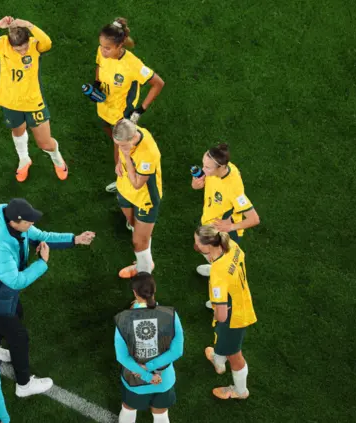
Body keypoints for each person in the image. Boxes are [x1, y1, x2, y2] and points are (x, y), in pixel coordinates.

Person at [0, 198, 95, 396]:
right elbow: (15, 281)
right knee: (19, 337)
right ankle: (23, 385)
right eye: (28, 221)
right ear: (14, 222)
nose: (32, 224)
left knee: (17, 311)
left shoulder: (14, 225)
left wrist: (75, 239)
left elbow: (41, 236)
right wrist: (42, 263)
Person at [0, 17, 68, 182]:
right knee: (18, 132)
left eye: (24, 47)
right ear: (10, 43)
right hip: (10, 102)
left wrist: (30, 25)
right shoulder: (2, 44)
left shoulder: (35, 45)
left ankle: (57, 159)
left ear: (28, 41)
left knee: (45, 143)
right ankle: (24, 159)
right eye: (18, 49)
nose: (22, 51)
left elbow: (48, 42)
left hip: (33, 102)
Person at [90, 17, 165, 193]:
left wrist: (140, 110)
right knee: (109, 133)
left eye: (107, 48)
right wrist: (96, 83)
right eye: (101, 46)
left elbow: (158, 83)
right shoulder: (102, 51)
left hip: (121, 116)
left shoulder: (133, 65)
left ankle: (122, 182)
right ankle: (125, 155)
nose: (103, 50)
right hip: (104, 108)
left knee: (120, 154)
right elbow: (99, 65)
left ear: (119, 46)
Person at [194, 225, 257, 400]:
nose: (195, 245)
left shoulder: (217, 273)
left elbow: (221, 315)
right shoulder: (231, 245)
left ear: (207, 246)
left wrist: (217, 314)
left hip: (233, 316)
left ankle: (240, 391)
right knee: (222, 340)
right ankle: (218, 360)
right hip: (240, 299)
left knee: (235, 355)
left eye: (197, 242)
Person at [114, 272, 184, 423]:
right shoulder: (171, 315)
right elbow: (177, 351)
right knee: (161, 414)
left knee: (128, 409)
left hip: (135, 379)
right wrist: (151, 367)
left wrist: (147, 375)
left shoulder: (123, 319)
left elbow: (122, 357)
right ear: (154, 289)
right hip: (163, 379)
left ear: (134, 292)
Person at [191, 143, 260, 282]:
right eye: (203, 164)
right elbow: (199, 182)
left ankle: (225, 300)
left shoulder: (234, 187)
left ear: (221, 167)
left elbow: (254, 219)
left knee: (224, 268)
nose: (203, 170)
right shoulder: (218, 168)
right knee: (201, 248)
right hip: (209, 221)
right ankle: (214, 266)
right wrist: (195, 183)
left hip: (223, 233)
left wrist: (230, 227)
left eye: (207, 167)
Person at [112, 119, 162, 279]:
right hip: (124, 189)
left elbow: (137, 184)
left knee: (138, 242)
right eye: (118, 144)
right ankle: (145, 245)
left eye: (124, 146)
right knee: (134, 225)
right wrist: (120, 160)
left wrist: (125, 158)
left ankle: (144, 270)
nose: (121, 148)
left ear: (133, 138)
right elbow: (121, 149)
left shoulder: (148, 153)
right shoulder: (129, 131)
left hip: (144, 199)